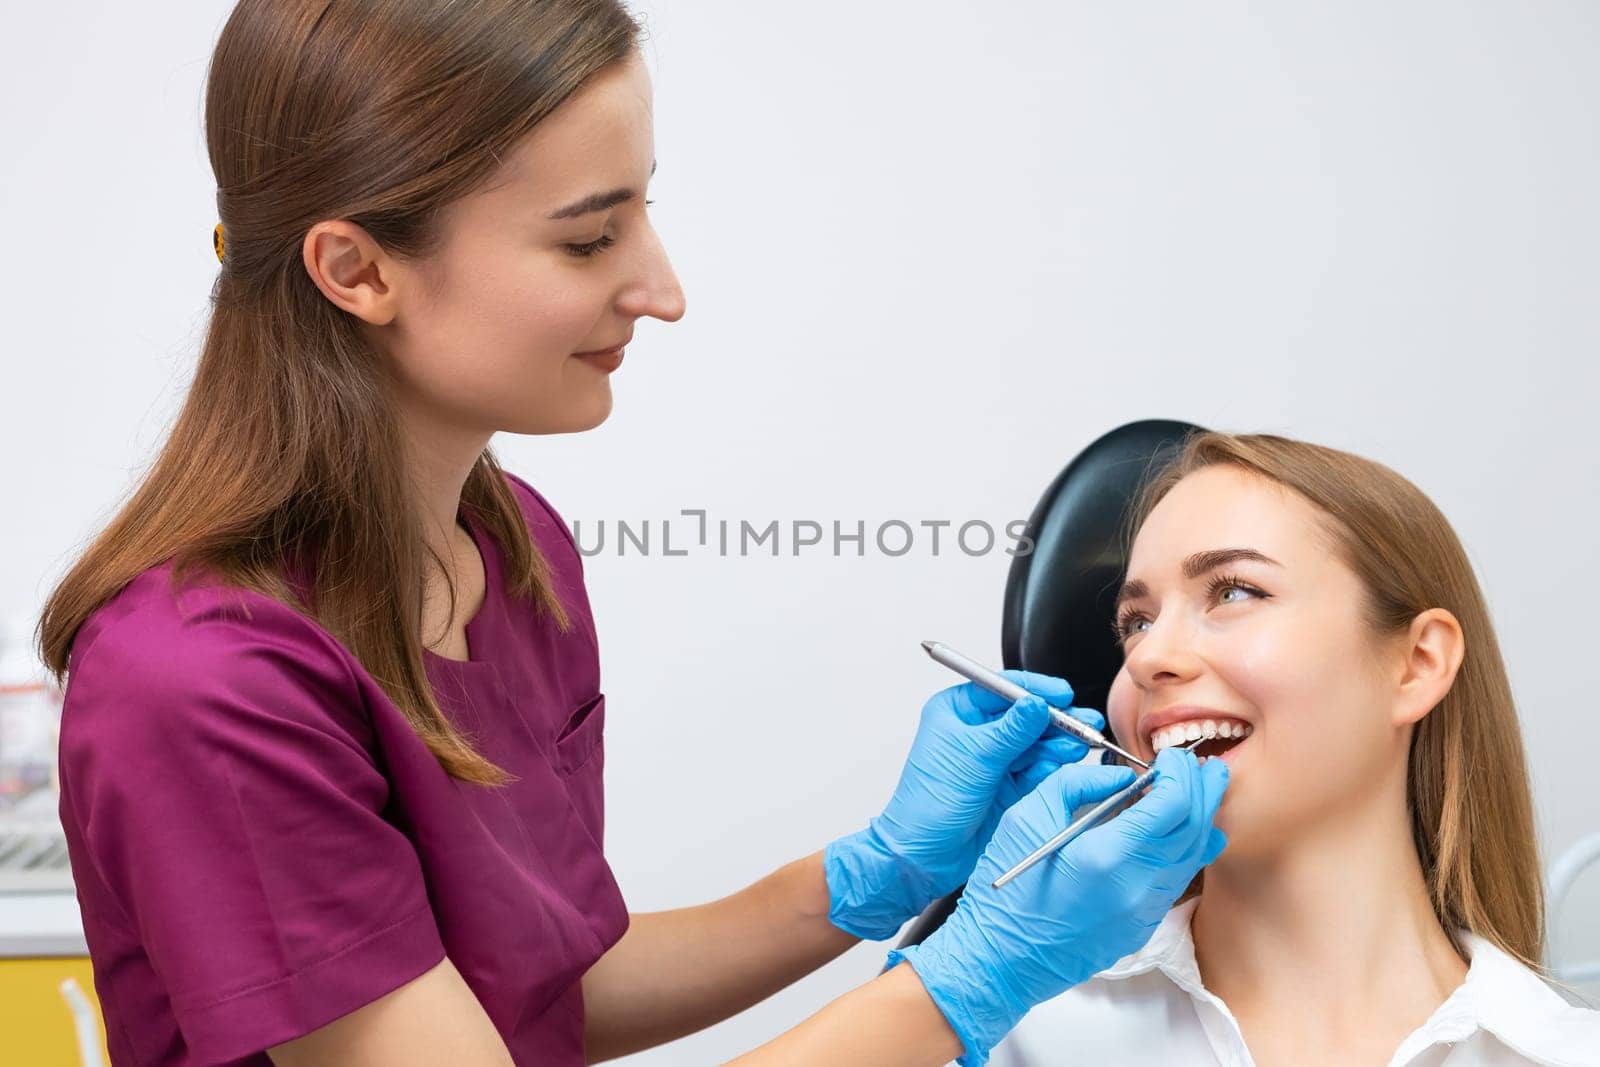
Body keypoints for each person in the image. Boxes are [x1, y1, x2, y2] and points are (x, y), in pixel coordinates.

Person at [35, 3, 1229, 1064]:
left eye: (640, 209)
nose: (661, 287)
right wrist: (975, 971)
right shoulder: (201, 681)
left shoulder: (508, 553)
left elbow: (546, 991)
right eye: (588, 238)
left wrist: (874, 873)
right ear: (356, 268)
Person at [991, 431, 1600, 1067]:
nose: (1148, 658)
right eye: (1135, 623)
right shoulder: (1012, 1033)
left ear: (1417, 665)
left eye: (1233, 592)